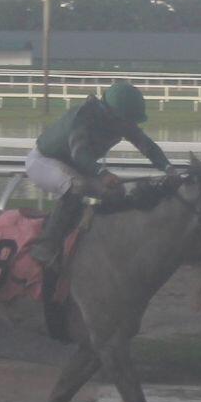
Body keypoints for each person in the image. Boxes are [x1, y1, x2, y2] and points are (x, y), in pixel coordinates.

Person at [25, 81, 173, 267]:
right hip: (44, 161)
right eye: (128, 120)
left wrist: (168, 168)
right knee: (76, 187)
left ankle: (98, 239)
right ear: (112, 113)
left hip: (76, 167)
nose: (130, 125)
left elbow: (147, 146)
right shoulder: (84, 118)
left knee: (116, 193)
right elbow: (79, 154)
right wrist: (102, 173)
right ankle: (45, 246)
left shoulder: (118, 119)